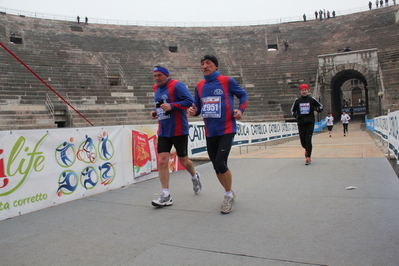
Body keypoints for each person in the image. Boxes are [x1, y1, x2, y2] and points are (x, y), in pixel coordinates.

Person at [188, 55, 248, 214]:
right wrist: (193, 112)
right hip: (210, 131)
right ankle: (229, 192)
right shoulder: (199, 85)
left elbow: (243, 95)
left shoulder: (227, 81)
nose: (205, 66)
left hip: (226, 129)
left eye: (208, 63)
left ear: (215, 66)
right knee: (216, 166)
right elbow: (198, 108)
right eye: (202, 64)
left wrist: (240, 110)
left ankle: (228, 195)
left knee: (221, 163)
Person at [150, 63, 201, 207]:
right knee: (162, 161)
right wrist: (155, 111)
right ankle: (166, 195)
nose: (157, 78)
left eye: (159, 75)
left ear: (166, 74)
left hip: (179, 130)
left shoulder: (177, 85)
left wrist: (172, 106)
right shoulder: (156, 88)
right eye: (155, 76)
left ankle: (194, 175)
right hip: (164, 131)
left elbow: (189, 102)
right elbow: (160, 104)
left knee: (184, 161)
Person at [290, 84, 323, 165]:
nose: (304, 91)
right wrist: (296, 116)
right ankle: (306, 149)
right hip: (301, 123)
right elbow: (292, 111)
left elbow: (321, 107)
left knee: (308, 140)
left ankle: (308, 157)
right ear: (300, 91)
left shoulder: (312, 99)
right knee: (303, 141)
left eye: (305, 90)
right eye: (302, 90)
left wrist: (316, 109)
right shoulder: (297, 101)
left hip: (310, 122)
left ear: (308, 90)